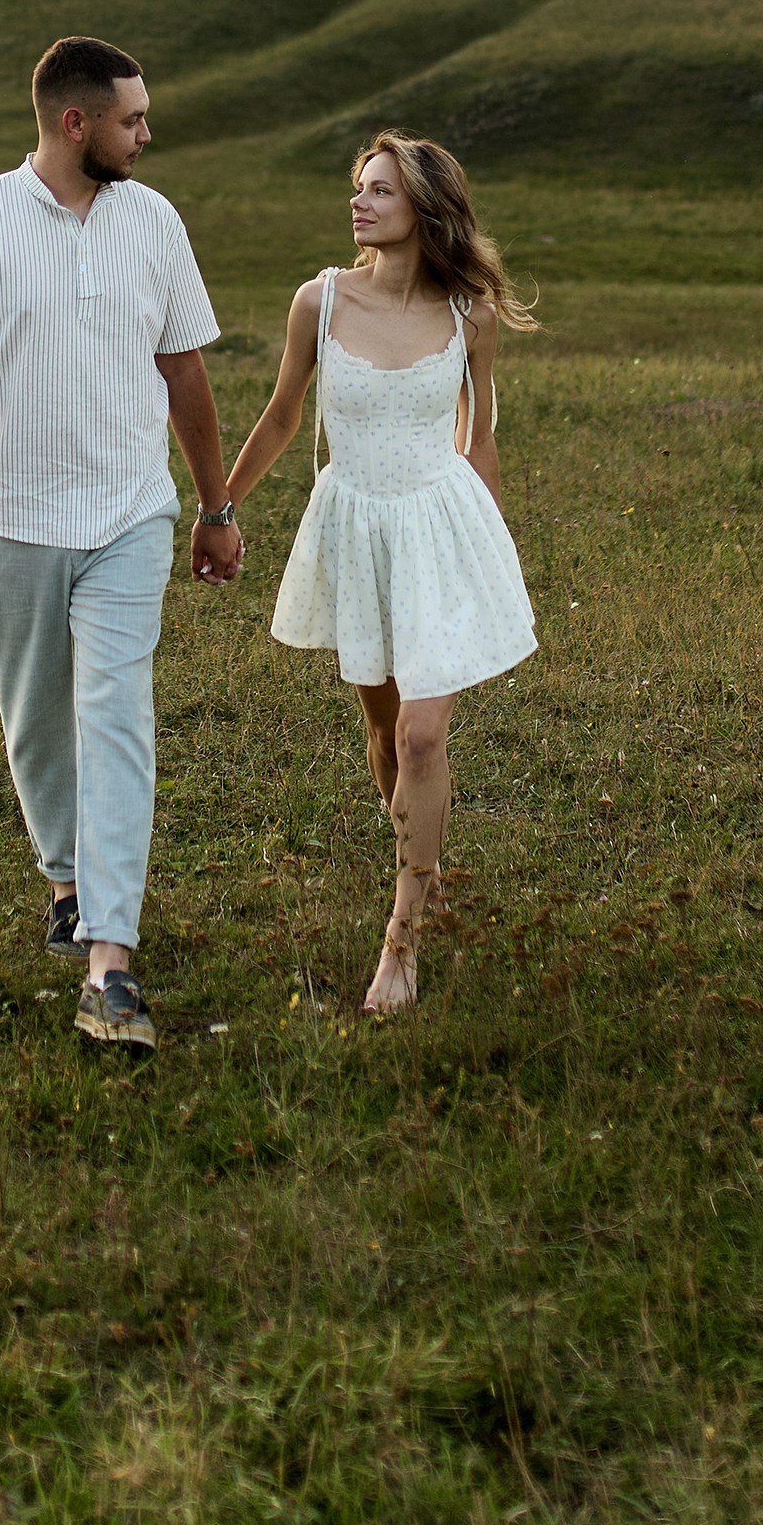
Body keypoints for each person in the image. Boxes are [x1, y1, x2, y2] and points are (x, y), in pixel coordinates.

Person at [0, 36, 243, 1054]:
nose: (148, 133)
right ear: (74, 123)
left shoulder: (154, 221)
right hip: (11, 520)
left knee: (116, 716)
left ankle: (110, 965)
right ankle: (65, 879)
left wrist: (213, 507)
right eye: (133, 119)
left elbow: (182, 373)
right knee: (38, 717)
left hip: (129, 516)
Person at [224, 132, 536, 1014]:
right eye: (358, 190)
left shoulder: (469, 316)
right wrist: (222, 505)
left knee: (423, 738)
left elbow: (481, 439)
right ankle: (423, 865)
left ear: (426, 209)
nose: (358, 204)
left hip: (441, 531)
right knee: (385, 729)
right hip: (357, 529)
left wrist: (492, 550)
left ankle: (401, 941)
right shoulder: (318, 302)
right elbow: (284, 416)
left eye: (380, 192)